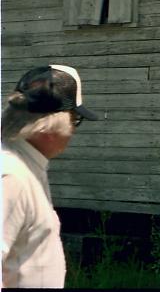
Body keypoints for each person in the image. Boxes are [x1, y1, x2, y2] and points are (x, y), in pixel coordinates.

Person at [2, 65, 100, 288]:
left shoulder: (26, 165)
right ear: (52, 123)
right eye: (75, 119)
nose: (73, 131)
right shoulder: (11, 175)